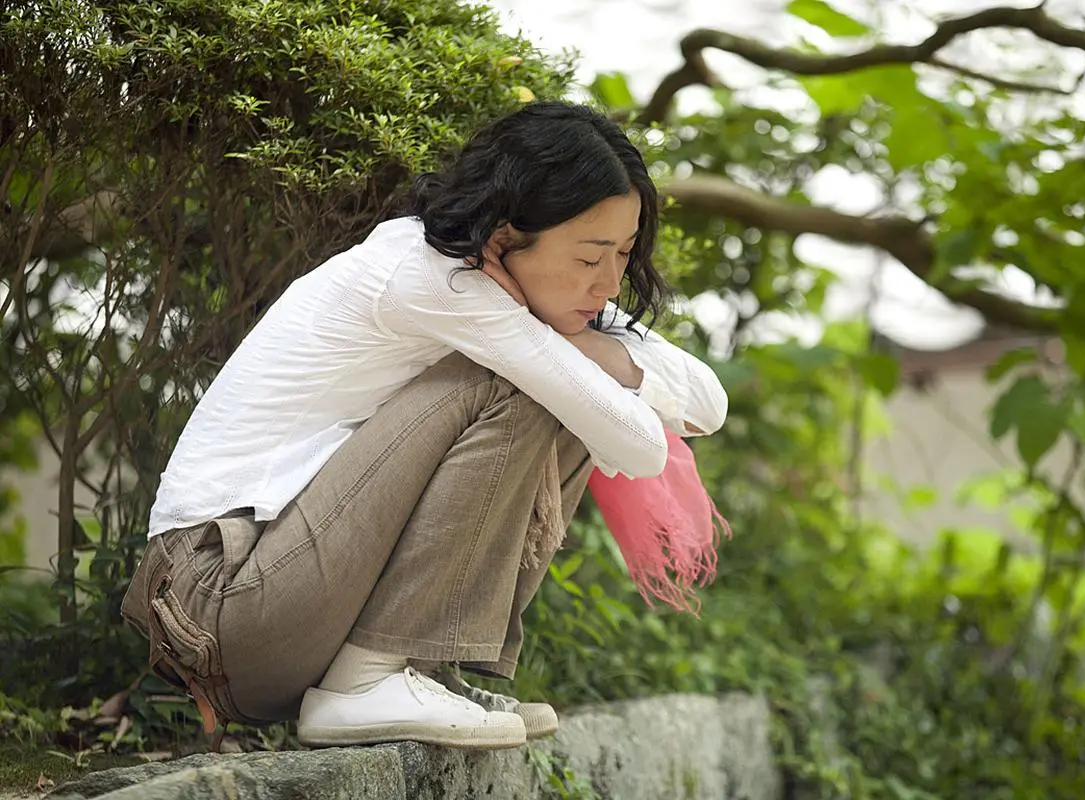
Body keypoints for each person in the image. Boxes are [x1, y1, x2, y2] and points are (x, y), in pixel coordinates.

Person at [121, 100, 728, 751]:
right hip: (216, 598)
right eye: (588, 258)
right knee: (522, 388)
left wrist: (595, 347)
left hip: (279, 596)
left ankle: (414, 667)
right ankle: (366, 679)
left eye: (624, 254)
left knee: (558, 385)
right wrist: (572, 349)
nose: (609, 282)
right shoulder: (433, 277)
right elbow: (638, 447)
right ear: (503, 236)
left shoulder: (514, 293)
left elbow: (705, 403)